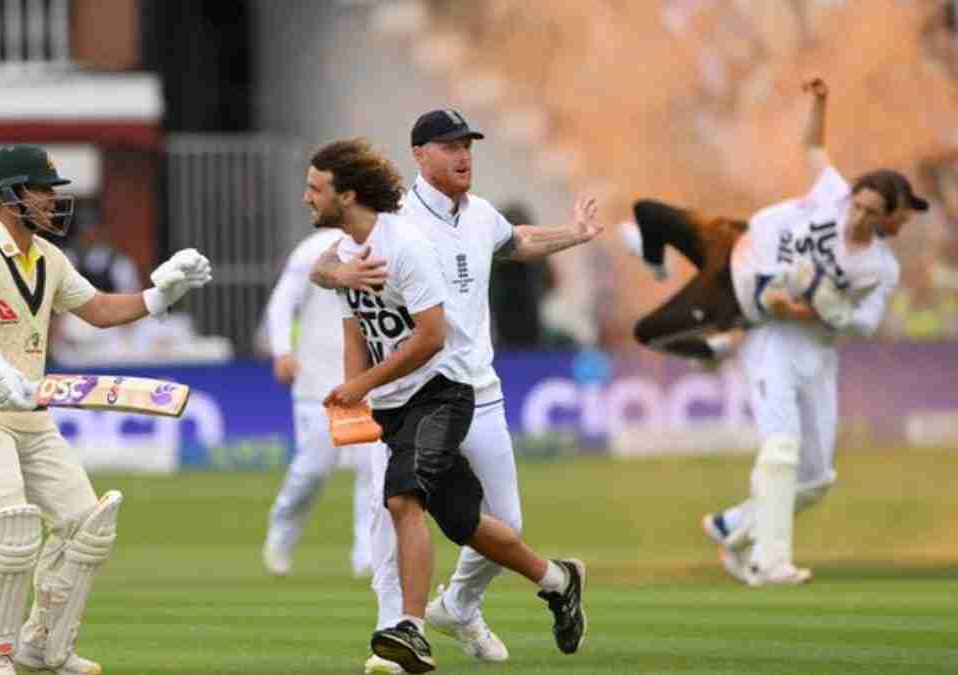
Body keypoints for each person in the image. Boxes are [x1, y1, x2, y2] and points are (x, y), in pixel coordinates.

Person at [312, 112, 601, 674]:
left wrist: (576, 235)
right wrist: (339, 279)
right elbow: (325, 263)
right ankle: (393, 636)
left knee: (499, 525)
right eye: (449, 146)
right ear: (420, 155)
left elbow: (517, 242)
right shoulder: (394, 215)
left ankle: (460, 607)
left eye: (467, 145)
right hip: (407, 391)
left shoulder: (481, 214)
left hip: (476, 390)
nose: (463, 155)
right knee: (394, 507)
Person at [622, 79, 928, 584]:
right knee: (780, 448)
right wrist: (821, 102)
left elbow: (869, 322)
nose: (858, 215)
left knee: (814, 479)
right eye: (857, 204)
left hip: (817, 350)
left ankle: (733, 526)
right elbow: (813, 148)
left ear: (886, 219)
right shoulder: (829, 196)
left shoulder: (879, 267)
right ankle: (771, 560)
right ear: (850, 196)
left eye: (872, 213)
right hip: (769, 340)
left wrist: (823, 313)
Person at [0, 144, 212, 675]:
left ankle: (43, 645)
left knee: (87, 526)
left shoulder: (48, 259)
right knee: (11, 526)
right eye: (42, 189)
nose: (53, 201)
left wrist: (159, 295)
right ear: (8, 196)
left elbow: (97, 310)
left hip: (31, 412)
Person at [260, 228, 374, 578]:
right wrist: (281, 350)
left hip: (370, 380)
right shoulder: (312, 248)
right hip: (317, 381)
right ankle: (281, 533)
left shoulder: (389, 242)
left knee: (374, 471)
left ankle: (366, 558)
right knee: (313, 471)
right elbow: (282, 301)